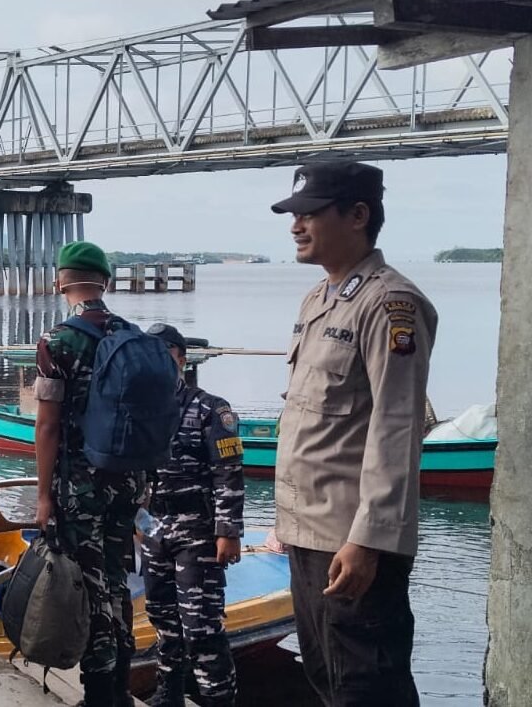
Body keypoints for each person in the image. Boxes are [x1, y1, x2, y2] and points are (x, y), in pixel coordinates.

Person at [269, 161, 437, 707]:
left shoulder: (391, 305)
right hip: (306, 533)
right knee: (327, 680)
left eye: (310, 213)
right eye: (294, 215)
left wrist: (367, 541)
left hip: (350, 542)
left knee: (366, 689)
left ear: (358, 215)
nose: (296, 225)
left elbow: (397, 426)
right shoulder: (319, 299)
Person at [32, 241, 147, 706]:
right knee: (118, 581)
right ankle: (120, 684)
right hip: (129, 481)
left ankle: (101, 694)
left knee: (90, 586)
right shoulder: (135, 336)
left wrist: (43, 496)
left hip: (82, 487)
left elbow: (47, 424)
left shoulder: (57, 341)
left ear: (61, 281)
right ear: (107, 281)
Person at [140, 323, 244, 707]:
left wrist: (228, 531)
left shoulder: (212, 409)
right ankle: (169, 696)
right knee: (163, 619)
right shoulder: (143, 409)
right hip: (156, 529)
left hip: (199, 532)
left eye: (164, 356)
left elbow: (228, 473)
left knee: (201, 627)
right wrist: (139, 523)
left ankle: (219, 700)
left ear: (181, 360)